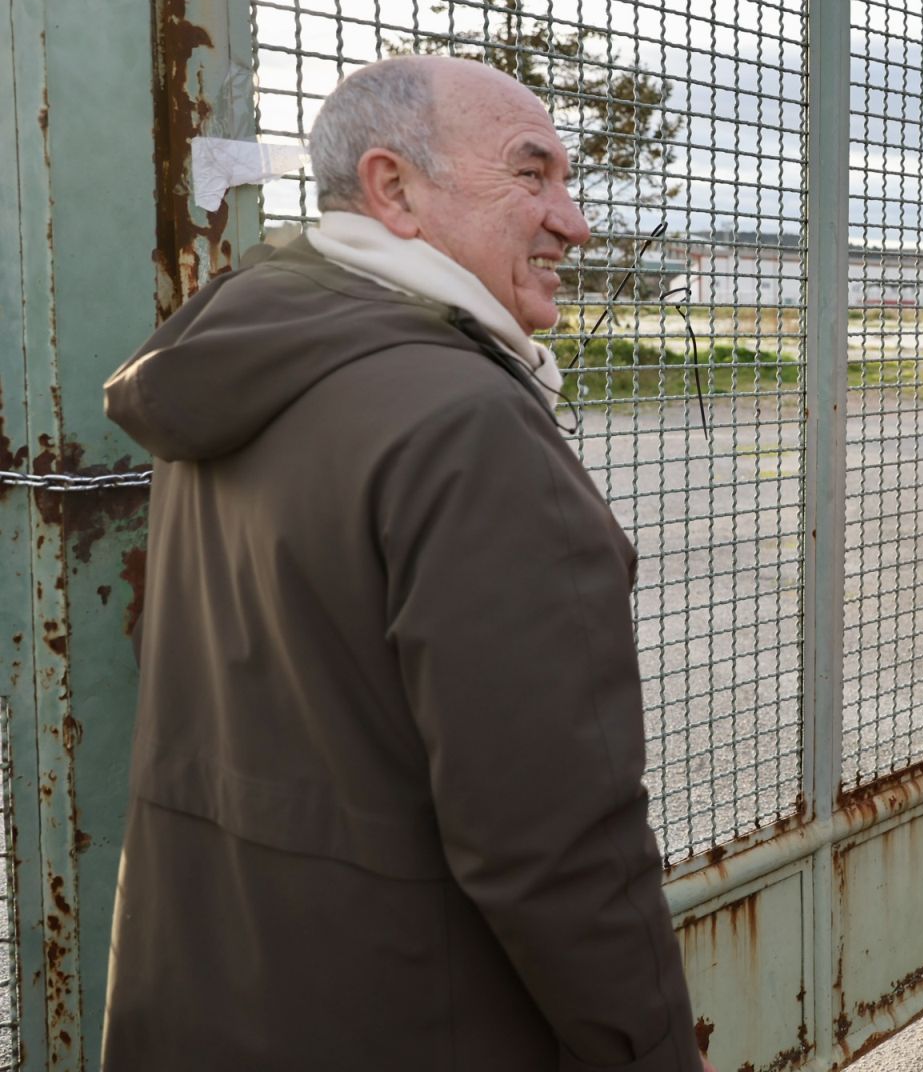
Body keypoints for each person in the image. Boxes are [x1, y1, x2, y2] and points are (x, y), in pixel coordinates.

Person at [101, 55, 712, 1072]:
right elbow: (557, 844)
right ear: (394, 188)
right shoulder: (468, 426)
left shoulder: (253, 372)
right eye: (532, 175)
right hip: (413, 1017)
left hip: (210, 1000)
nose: (576, 221)